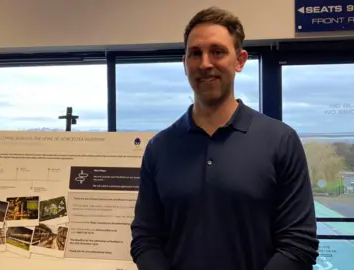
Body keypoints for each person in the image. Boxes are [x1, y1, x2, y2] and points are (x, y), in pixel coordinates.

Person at [130, 6, 319, 270]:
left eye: (217, 52)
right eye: (195, 53)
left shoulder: (281, 140)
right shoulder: (159, 148)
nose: (205, 63)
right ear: (185, 64)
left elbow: (299, 243)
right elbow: (145, 238)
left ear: (240, 60)